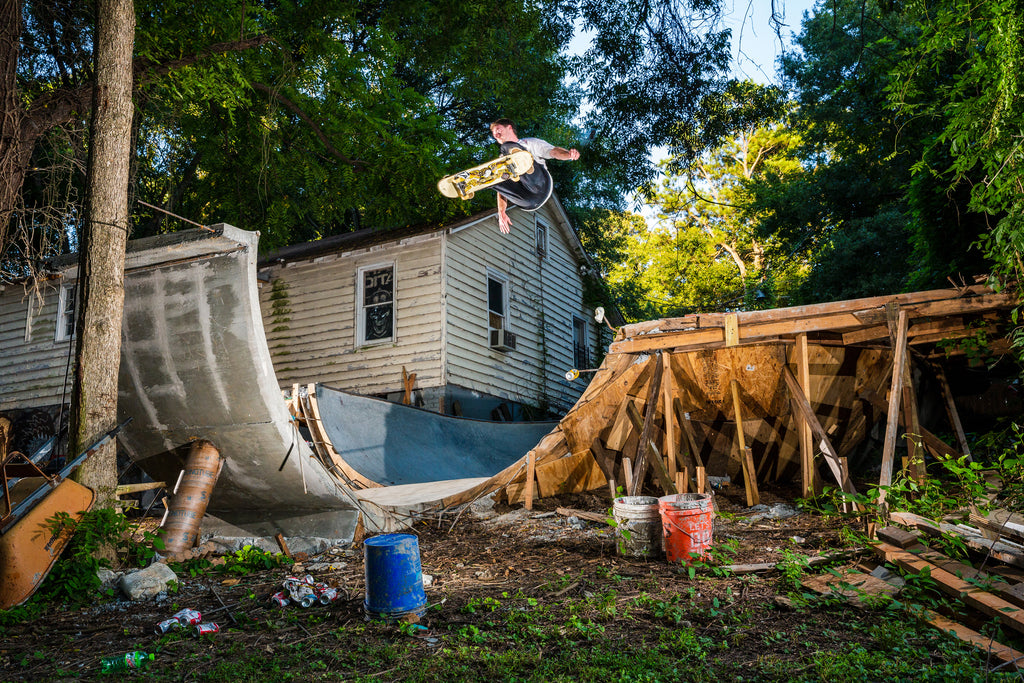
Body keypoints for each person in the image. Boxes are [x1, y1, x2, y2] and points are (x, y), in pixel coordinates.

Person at [488, 119, 580, 234]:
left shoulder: (530, 143)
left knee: (507, 149)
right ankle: (476, 182)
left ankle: (524, 162)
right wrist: (501, 212)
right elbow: (503, 190)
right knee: (496, 178)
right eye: (494, 135)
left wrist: (568, 155)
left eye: (498, 130)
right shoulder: (502, 159)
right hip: (527, 202)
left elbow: (553, 152)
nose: (496, 135)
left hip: (541, 188)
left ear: (509, 127)